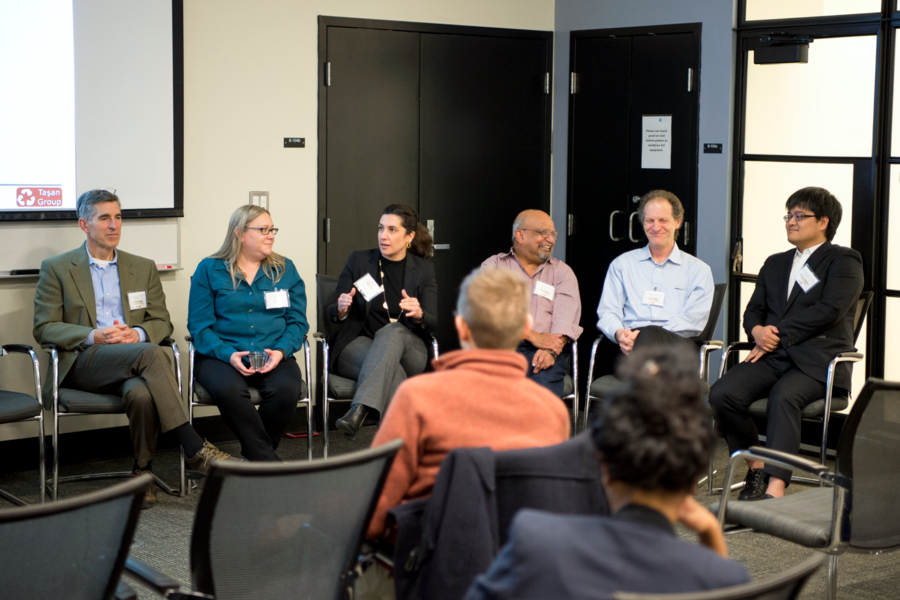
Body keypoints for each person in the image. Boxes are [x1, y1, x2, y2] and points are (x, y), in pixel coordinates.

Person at [464, 346, 750, 600]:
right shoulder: (723, 578)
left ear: (603, 467)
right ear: (692, 483)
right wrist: (712, 537)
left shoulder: (536, 540)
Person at [33, 189, 236, 509]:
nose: (114, 225)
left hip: (134, 361)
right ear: (84, 225)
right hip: (84, 362)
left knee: (141, 392)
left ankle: (142, 473)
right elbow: (44, 327)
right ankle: (193, 445)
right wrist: (93, 335)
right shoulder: (58, 267)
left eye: (118, 217)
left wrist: (138, 333)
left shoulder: (141, 267)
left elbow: (161, 322)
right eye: (104, 218)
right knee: (153, 354)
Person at [367, 267, 571, 541]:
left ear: (461, 326)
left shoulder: (416, 397)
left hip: (432, 569)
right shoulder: (553, 411)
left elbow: (375, 512)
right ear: (525, 327)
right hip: (515, 567)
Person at [708, 187, 864, 501]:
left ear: (823, 221)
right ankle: (756, 466)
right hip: (773, 357)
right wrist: (756, 332)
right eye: (788, 215)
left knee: (783, 398)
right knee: (722, 394)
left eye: (798, 216)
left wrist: (774, 333)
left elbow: (830, 310)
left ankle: (776, 486)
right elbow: (753, 311)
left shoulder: (843, 259)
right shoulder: (775, 263)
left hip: (818, 361)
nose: (790, 222)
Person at [187, 205, 309, 461]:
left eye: (272, 229)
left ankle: (253, 461)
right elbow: (199, 327)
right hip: (220, 355)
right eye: (263, 229)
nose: (271, 235)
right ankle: (267, 462)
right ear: (240, 233)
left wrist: (280, 351)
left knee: (287, 390)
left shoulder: (286, 269)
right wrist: (228, 354)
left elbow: (297, 322)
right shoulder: (209, 269)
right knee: (230, 391)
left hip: (273, 353)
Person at [331, 204, 438, 439]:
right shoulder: (359, 261)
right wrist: (340, 309)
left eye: (392, 230)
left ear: (409, 236)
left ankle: (360, 409)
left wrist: (419, 313)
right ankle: (397, 451)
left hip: (409, 349)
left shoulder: (423, 270)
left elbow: (432, 322)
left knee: (393, 331)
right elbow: (332, 312)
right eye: (380, 228)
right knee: (394, 377)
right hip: (357, 345)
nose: (383, 236)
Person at [596, 190, 713, 355]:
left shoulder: (698, 270)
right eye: (649, 220)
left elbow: (693, 319)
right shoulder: (622, 264)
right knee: (641, 367)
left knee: (653, 368)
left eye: (663, 220)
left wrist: (648, 339)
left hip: (675, 345)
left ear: (678, 222)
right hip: (629, 345)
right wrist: (620, 334)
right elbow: (608, 311)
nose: (655, 227)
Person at [481, 209, 582, 397]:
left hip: (545, 351)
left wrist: (550, 350)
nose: (550, 239)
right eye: (543, 233)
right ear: (520, 235)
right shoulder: (493, 266)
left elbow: (566, 318)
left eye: (553, 234)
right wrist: (533, 336)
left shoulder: (562, 273)